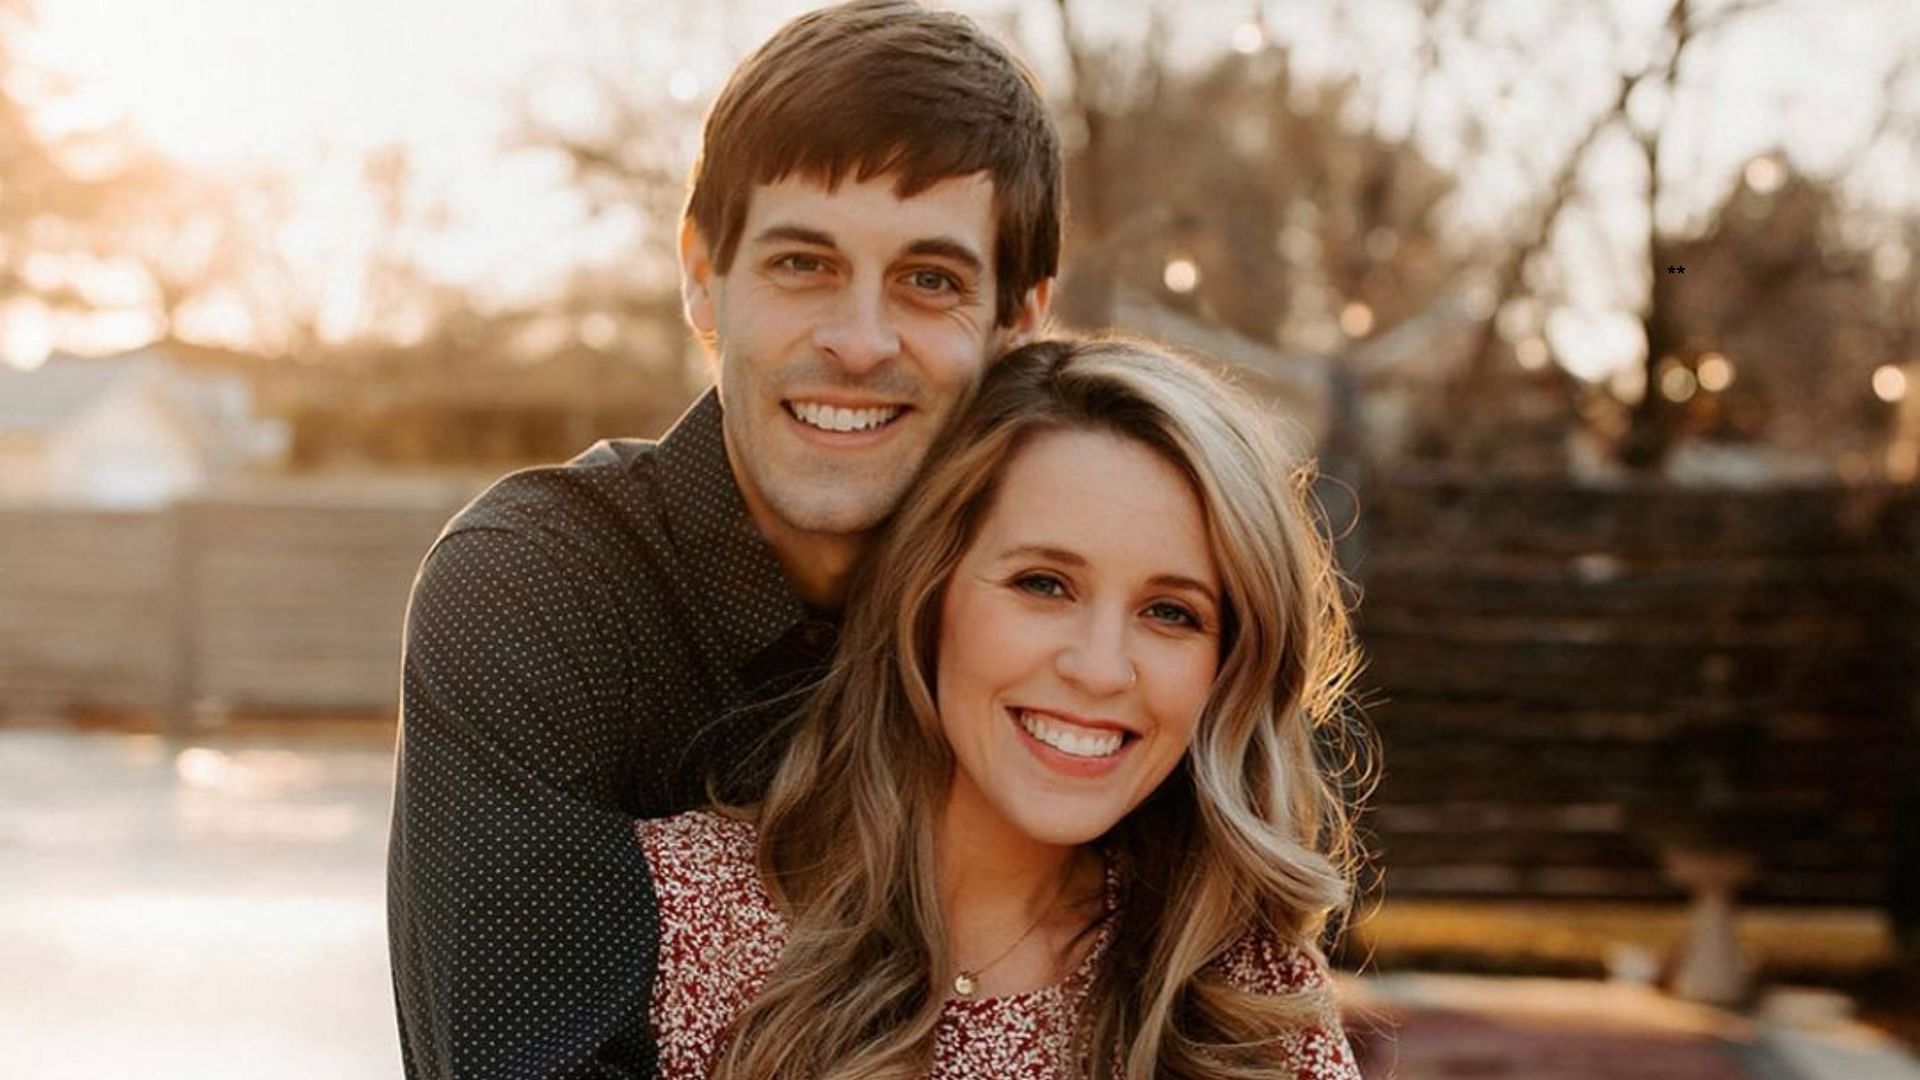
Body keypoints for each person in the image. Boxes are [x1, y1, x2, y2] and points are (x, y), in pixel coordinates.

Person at [385, 2, 1059, 1075]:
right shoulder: (533, 593)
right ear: (702, 273)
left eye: (930, 280)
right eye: (804, 264)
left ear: (1019, 320)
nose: (858, 341)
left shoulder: (1065, 614)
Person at [640, 337, 1368, 1079]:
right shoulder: (677, 913)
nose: (1099, 669)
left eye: (1171, 613)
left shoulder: (1245, 996)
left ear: (1228, 666)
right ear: (928, 590)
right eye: (1044, 584)